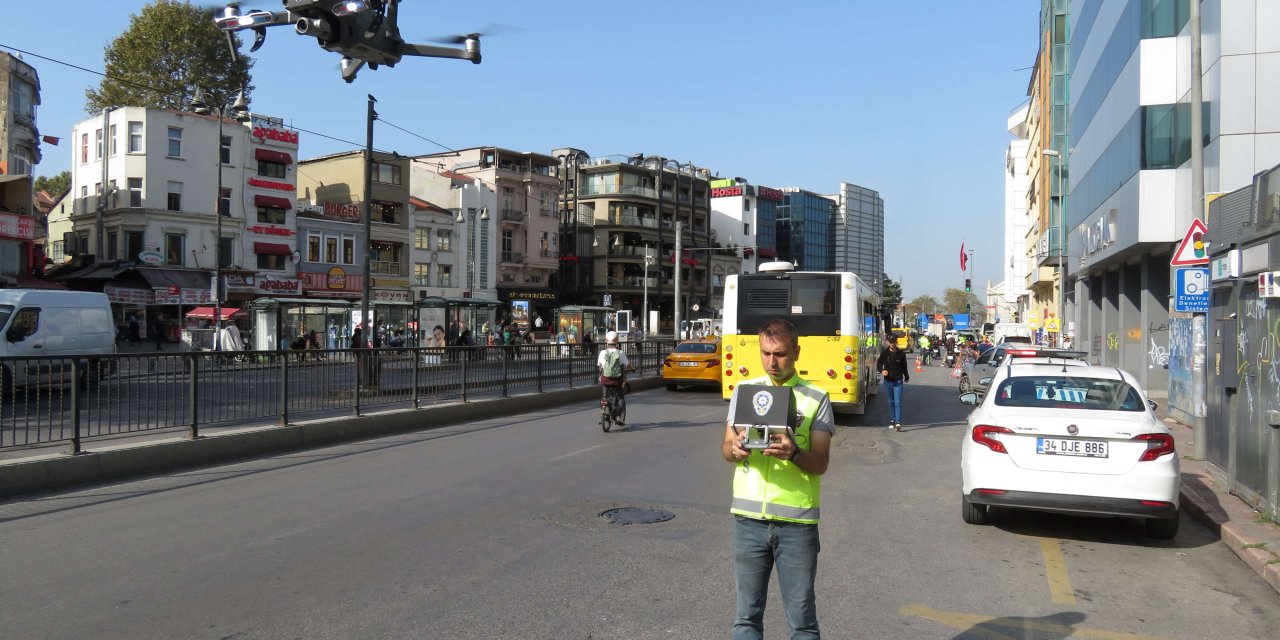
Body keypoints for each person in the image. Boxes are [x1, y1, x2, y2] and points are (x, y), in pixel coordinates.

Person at [721, 318, 833, 640]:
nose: (772, 362)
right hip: (748, 521)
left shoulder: (816, 397)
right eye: (766, 353)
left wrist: (795, 453)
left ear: (797, 352)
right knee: (745, 619)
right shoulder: (744, 391)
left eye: (780, 354)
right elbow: (726, 448)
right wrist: (736, 449)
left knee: (802, 624)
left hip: (796, 526)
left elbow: (821, 462)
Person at [597, 330, 630, 425]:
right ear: (617, 342)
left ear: (606, 341)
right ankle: (617, 416)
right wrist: (633, 368)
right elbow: (627, 365)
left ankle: (603, 411)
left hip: (605, 380)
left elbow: (599, 365)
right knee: (621, 397)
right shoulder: (620, 353)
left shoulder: (602, 352)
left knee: (604, 398)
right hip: (616, 381)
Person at [877, 336, 910, 431]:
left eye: (893, 342)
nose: (892, 344)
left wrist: (906, 376)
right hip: (888, 381)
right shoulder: (884, 353)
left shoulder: (901, 354)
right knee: (891, 401)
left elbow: (904, 366)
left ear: (896, 342)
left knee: (898, 402)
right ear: (888, 342)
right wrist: (882, 371)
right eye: (890, 342)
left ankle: (898, 422)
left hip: (898, 381)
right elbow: (879, 364)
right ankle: (892, 420)